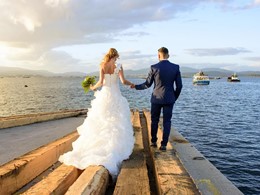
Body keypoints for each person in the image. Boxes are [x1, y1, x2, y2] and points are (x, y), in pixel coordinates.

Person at [59, 48, 135, 178]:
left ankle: (98, 147)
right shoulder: (119, 66)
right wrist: (132, 84)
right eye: (116, 57)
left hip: (105, 95)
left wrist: (92, 87)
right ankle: (115, 148)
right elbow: (123, 81)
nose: (117, 59)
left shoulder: (103, 65)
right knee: (116, 121)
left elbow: (100, 82)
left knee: (102, 120)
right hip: (116, 95)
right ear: (115, 55)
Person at [131, 47, 182, 151]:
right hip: (169, 99)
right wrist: (174, 97)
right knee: (167, 121)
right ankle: (163, 145)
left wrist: (135, 86)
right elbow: (179, 86)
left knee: (154, 120)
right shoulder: (175, 67)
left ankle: (153, 141)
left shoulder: (154, 67)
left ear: (159, 55)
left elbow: (147, 85)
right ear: (168, 55)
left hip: (156, 99)